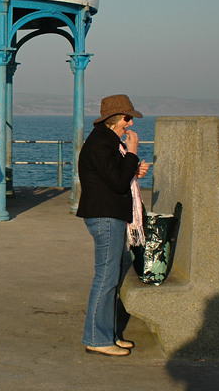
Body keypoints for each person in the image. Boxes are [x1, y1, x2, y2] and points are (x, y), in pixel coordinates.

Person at [76, 94, 151, 357]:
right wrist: (132, 153)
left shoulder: (107, 142)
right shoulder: (101, 144)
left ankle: (109, 334)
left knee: (112, 278)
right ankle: (97, 339)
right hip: (106, 217)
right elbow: (118, 182)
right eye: (127, 118)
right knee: (106, 278)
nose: (130, 124)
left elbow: (115, 175)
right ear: (115, 118)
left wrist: (134, 169)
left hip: (110, 215)